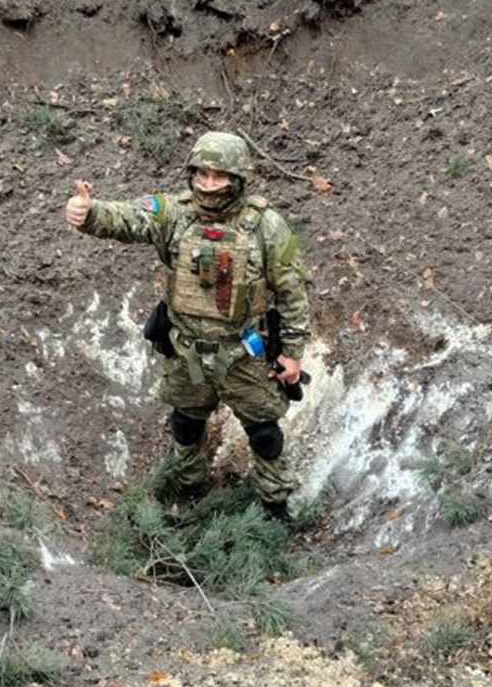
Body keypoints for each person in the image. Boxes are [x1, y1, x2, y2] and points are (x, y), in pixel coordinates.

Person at [64, 131, 311, 521]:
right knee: (185, 424)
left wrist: (293, 353)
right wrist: (89, 212)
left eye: (220, 176)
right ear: (191, 174)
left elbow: (294, 291)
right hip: (187, 353)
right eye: (203, 174)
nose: (209, 184)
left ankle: (275, 508)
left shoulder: (270, 226)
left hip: (245, 354)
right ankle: (191, 489)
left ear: (238, 178)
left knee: (265, 434)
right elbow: (128, 217)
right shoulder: (173, 212)